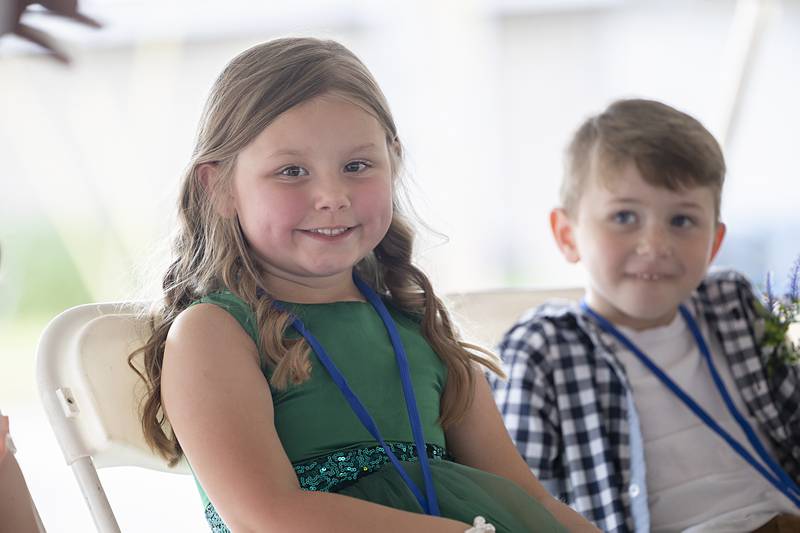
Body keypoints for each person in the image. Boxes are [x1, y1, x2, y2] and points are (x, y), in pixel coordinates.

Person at [131, 37, 597, 533]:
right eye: (291, 171)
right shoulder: (214, 334)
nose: (332, 196)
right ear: (219, 187)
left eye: (357, 166)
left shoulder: (422, 329)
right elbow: (267, 516)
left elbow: (528, 500)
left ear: (392, 164)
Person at [491, 98, 800, 532]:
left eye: (682, 220)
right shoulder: (541, 350)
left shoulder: (731, 303)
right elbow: (519, 504)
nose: (655, 244)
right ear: (567, 235)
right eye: (624, 216)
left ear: (714, 242)